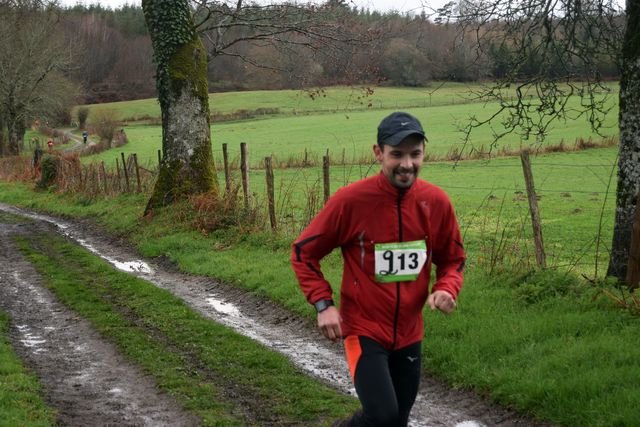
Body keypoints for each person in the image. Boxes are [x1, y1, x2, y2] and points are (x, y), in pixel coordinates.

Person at [291, 111, 465, 426]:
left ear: (424, 153)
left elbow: (453, 259)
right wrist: (323, 305)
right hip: (364, 329)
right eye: (397, 154)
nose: (407, 164)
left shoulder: (436, 202)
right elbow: (304, 253)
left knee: (397, 420)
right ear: (378, 153)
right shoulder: (351, 201)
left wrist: (446, 287)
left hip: (410, 332)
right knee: (382, 415)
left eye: (415, 154)